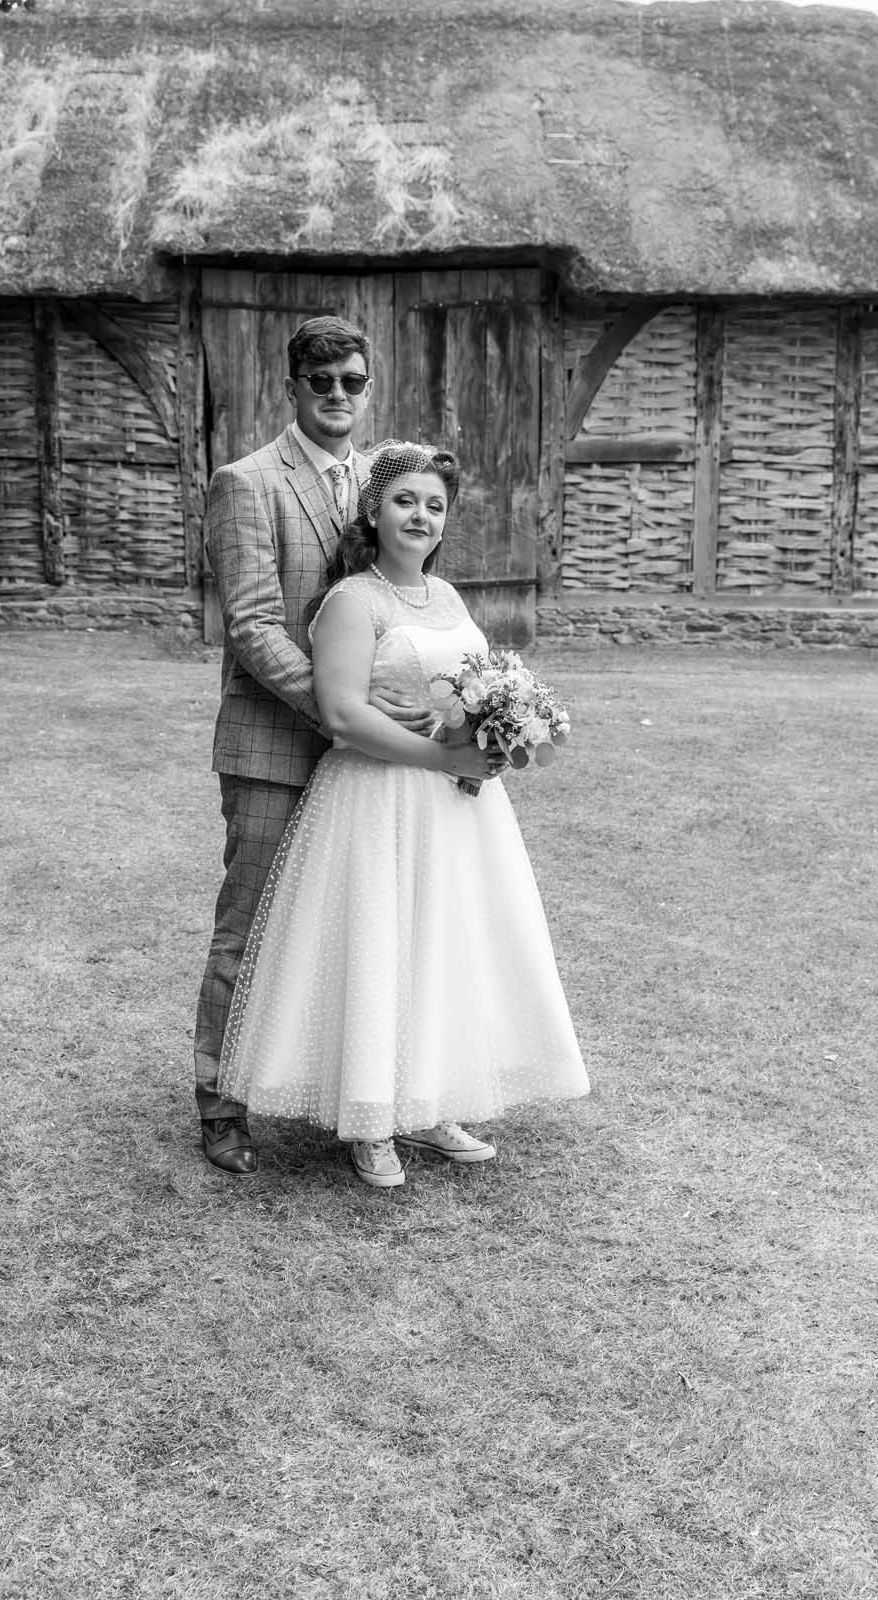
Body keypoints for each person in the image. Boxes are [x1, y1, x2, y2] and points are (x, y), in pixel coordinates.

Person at [217, 440, 590, 1187]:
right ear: (374, 511)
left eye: (433, 505)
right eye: (404, 501)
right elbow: (344, 715)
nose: (419, 515)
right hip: (375, 799)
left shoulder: (448, 599)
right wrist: (441, 758)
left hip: (451, 812)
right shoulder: (350, 601)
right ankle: (370, 1120)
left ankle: (427, 1102)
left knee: (438, 945)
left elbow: (456, 694)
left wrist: (495, 729)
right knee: (378, 945)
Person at [195, 317, 432, 1175]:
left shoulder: (386, 480)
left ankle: (354, 1092)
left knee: (362, 925)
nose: (338, 395)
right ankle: (221, 1102)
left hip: (367, 756)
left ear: (368, 389)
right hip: (274, 741)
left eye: (352, 382)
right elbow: (254, 624)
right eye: (321, 381)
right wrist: (339, 709)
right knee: (250, 927)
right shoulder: (246, 482)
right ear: (291, 387)